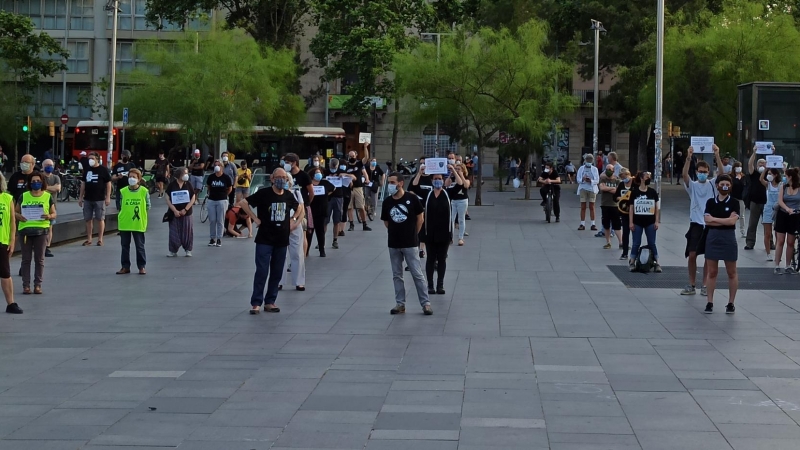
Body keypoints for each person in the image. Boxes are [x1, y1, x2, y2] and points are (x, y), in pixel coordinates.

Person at [240, 168, 302, 314]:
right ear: (272, 178)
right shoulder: (264, 193)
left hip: (281, 239)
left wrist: (293, 220)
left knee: (277, 272)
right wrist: (254, 218)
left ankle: (270, 301)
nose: (281, 180)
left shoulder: (288, 195)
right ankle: (256, 303)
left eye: (284, 178)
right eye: (278, 177)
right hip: (264, 239)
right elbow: (243, 202)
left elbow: (299, 207)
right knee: (262, 270)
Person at [381, 172, 432, 315]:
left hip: (410, 243)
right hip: (394, 243)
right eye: (389, 182)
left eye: (392, 182)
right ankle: (400, 304)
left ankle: (425, 303)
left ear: (400, 183)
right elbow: (386, 221)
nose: (390, 185)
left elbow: (420, 218)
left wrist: (413, 233)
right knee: (397, 275)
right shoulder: (387, 202)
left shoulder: (412, 199)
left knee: (417, 274)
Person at [680, 145, 723, 296]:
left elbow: (722, 174)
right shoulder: (693, 185)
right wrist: (688, 157)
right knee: (692, 254)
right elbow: (685, 175)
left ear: (708, 172)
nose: (703, 174)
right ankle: (692, 284)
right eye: (700, 172)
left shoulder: (713, 185)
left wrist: (717, 155)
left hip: (709, 224)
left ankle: (705, 284)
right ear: (697, 172)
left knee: (708, 256)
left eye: (705, 172)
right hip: (696, 223)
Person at [702, 175, 740, 314]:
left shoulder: (734, 203)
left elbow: (732, 222)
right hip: (713, 237)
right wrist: (723, 220)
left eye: (727, 184)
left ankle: (731, 303)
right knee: (712, 271)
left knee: (731, 271)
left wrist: (715, 219)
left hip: (728, 238)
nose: (725, 186)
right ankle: (710, 302)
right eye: (722, 184)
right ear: (717, 185)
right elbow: (707, 221)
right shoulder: (711, 202)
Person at [421, 167, 462, 295]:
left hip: (444, 232)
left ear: (443, 180)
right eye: (435, 179)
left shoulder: (447, 193)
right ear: (432, 181)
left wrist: (453, 170)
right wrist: (420, 172)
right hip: (430, 233)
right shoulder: (427, 194)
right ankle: (430, 285)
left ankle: (440, 285)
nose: (438, 181)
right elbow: (415, 186)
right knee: (430, 259)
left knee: (442, 259)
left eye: (440, 179)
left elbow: (460, 184)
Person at [15, 171, 56, 295]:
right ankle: (26, 286)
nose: (36, 183)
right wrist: (19, 216)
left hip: (41, 231)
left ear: (42, 182)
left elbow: (54, 213)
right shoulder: (24, 196)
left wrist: (49, 216)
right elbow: (15, 211)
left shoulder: (47, 196)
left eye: (38, 181)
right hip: (25, 231)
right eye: (33, 181)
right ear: (30, 183)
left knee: (40, 259)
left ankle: (37, 285)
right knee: (26, 259)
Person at [116, 169, 150, 275]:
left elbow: (148, 206)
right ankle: (125, 267)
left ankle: (141, 267)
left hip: (138, 223)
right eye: (130, 177)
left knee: (140, 246)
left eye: (134, 177)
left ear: (139, 179)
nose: (131, 179)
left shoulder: (144, 191)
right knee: (125, 246)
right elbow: (120, 205)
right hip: (125, 222)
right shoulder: (123, 191)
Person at [628, 171, 662, 273]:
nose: (649, 178)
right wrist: (631, 222)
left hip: (650, 222)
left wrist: (656, 221)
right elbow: (631, 209)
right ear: (642, 178)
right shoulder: (634, 192)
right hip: (637, 221)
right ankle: (632, 262)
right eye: (647, 177)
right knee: (636, 243)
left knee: (652, 243)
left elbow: (656, 208)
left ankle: (657, 263)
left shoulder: (652, 192)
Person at [78, 152, 111, 247]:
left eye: (92, 158)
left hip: (99, 198)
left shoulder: (103, 170)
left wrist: (107, 196)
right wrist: (80, 197)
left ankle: (100, 239)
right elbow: (83, 183)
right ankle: (89, 238)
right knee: (88, 219)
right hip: (88, 198)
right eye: (89, 158)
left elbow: (108, 184)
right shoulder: (87, 169)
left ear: (97, 159)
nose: (90, 160)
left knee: (100, 218)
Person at [0, 174, 22, 314]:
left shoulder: (7, 198)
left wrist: (12, 240)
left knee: (5, 272)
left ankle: (11, 303)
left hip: (2, 241)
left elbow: (12, 222)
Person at [280, 176, 306, 291]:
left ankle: (299, 281)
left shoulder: (296, 193)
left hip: (294, 224)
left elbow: (302, 210)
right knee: (280, 255)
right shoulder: (277, 194)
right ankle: (279, 281)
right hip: (280, 225)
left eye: (287, 180)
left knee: (297, 254)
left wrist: (295, 223)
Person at [745, 146, 773, 250]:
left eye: (763, 163)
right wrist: (754, 153)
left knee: (768, 224)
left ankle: (770, 242)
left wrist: (772, 154)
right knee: (752, 223)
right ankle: (750, 242)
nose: (761, 165)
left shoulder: (770, 175)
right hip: (755, 201)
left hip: (767, 202)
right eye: (759, 163)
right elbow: (749, 164)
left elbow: (776, 165)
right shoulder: (754, 174)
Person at [774, 168, 800, 275]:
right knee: (780, 241)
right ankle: (777, 265)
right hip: (783, 214)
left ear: (790, 177)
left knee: (790, 242)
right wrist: (787, 209)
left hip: (796, 215)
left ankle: (788, 265)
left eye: (786, 176)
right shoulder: (783, 187)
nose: (785, 178)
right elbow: (780, 201)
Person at [165, 167, 195, 257]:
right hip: (174, 212)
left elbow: (193, 197)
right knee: (174, 231)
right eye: (184, 174)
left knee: (187, 231)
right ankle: (173, 250)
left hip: (187, 212)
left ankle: (188, 249)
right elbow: (167, 197)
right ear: (178, 175)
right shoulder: (172, 185)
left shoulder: (188, 184)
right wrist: (174, 210)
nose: (186, 175)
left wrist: (185, 209)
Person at [307, 167, 334, 257]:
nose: (319, 174)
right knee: (309, 232)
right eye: (316, 173)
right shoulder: (309, 183)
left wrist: (326, 195)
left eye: (320, 172)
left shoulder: (324, 183)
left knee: (320, 231)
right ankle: (306, 250)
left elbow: (333, 188)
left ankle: (321, 250)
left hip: (321, 210)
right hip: (311, 210)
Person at [206, 160, 232, 247]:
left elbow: (230, 188)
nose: (217, 166)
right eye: (215, 165)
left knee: (220, 220)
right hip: (212, 200)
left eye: (218, 165)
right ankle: (212, 238)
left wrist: (225, 195)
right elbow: (209, 187)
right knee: (212, 220)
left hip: (222, 200)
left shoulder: (226, 177)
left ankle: (219, 238)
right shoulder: (211, 177)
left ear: (222, 167)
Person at [344, 149, 371, 231]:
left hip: (358, 188)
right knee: (349, 207)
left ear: (356, 156)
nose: (351, 157)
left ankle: (364, 223)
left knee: (361, 207)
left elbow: (366, 158)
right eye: (350, 156)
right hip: (349, 188)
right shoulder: (346, 165)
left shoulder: (359, 164)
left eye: (353, 156)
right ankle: (351, 224)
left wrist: (365, 147)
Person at [760, 167, 782, 262]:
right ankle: (768, 253)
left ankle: (778, 252)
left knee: (778, 233)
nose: (769, 175)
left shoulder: (781, 185)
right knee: (767, 233)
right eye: (768, 173)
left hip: (778, 208)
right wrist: (765, 170)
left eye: (770, 173)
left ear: (775, 175)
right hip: (768, 208)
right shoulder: (768, 184)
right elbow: (761, 179)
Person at [599, 164, 623, 249]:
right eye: (607, 169)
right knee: (606, 224)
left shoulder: (617, 180)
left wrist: (607, 188)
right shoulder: (603, 179)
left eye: (610, 169)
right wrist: (612, 189)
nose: (608, 171)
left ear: (613, 170)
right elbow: (602, 188)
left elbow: (617, 191)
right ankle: (608, 242)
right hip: (605, 205)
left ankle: (621, 242)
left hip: (615, 205)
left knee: (617, 224)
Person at [42, 159, 61, 258]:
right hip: (41, 206)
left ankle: (47, 247)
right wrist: (52, 187)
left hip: (52, 207)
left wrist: (46, 187)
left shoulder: (56, 177)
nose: (49, 166)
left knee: (50, 228)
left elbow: (58, 188)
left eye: (51, 165)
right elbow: (40, 188)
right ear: (43, 166)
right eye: (47, 165)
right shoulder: (40, 177)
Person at [450, 155, 471, 245]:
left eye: (459, 169)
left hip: (462, 201)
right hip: (453, 201)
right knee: (451, 219)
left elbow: (466, 185)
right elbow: (446, 184)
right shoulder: (453, 178)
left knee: (461, 219)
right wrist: (451, 174)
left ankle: (460, 238)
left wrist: (461, 175)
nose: (457, 170)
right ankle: (450, 237)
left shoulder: (466, 178)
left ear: (463, 170)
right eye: (456, 169)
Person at [614, 168, 634, 260]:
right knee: (625, 232)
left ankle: (634, 253)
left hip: (634, 212)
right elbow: (615, 196)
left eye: (623, 176)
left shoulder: (635, 184)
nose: (623, 178)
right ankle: (625, 252)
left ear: (627, 174)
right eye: (621, 177)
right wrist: (620, 198)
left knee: (636, 233)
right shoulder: (621, 184)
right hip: (624, 212)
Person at [576, 154, 599, 230]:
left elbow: (597, 180)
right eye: (587, 160)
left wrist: (591, 180)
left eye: (590, 160)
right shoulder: (581, 168)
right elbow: (578, 179)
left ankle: (593, 224)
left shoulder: (595, 169)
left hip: (592, 189)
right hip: (583, 188)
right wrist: (583, 179)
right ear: (585, 160)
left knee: (591, 206)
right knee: (583, 206)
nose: (588, 162)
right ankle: (582, 224)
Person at [326, 158, 345, 248]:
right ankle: (321, 240)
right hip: (328, 198)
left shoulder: (341, 171)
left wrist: (344, 174)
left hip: (338, 197)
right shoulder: (325, 172)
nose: (333, 168)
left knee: (336, 220)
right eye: (332, 166)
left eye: (335, 166)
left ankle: (335, 239)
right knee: (325, 220)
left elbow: (353, 177)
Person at [730, 161, 747, 239]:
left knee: (741, 215)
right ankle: (731, 229)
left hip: (741, 198)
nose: (739, 168)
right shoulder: (731, 176)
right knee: (732, 214)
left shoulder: (744, 177)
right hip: (733, 197)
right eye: (737, 167)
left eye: (740, 166)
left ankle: (742, 230)